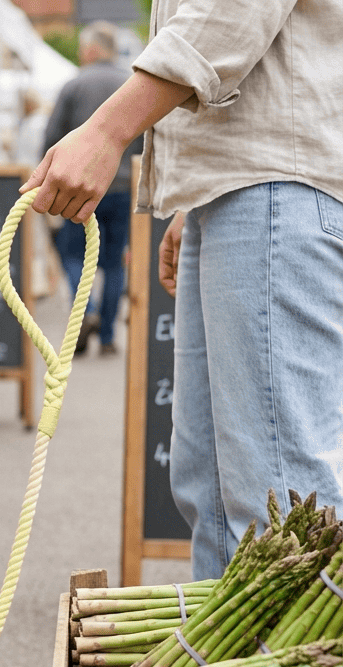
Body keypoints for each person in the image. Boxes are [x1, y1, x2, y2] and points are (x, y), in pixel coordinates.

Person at [22, 1, 343, 584]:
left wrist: (106, 128)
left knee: (281, 502)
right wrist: (193, 189)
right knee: (214, 492)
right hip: (242, 188)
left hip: (272, 184)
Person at [42, 22, 142, 356]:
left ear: (91, 50)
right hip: (124, 187)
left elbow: (51, 138)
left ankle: (84, 314)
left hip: (79, 188)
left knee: (72, 255)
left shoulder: (73, 85)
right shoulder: (132, 85)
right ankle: (109, 336)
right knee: (113, 263)